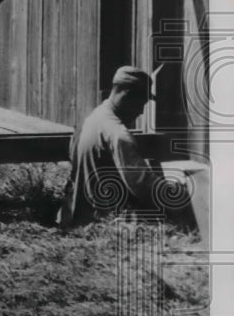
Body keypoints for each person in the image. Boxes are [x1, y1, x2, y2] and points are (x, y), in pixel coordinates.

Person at [58, 66, 189, 227]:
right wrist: (181, 195)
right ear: (127, 95)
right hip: (103, 222)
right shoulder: (117, 134)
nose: (141, 111)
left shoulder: (93, 118)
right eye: (141, 103)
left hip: (77, 216)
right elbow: (142, 184)